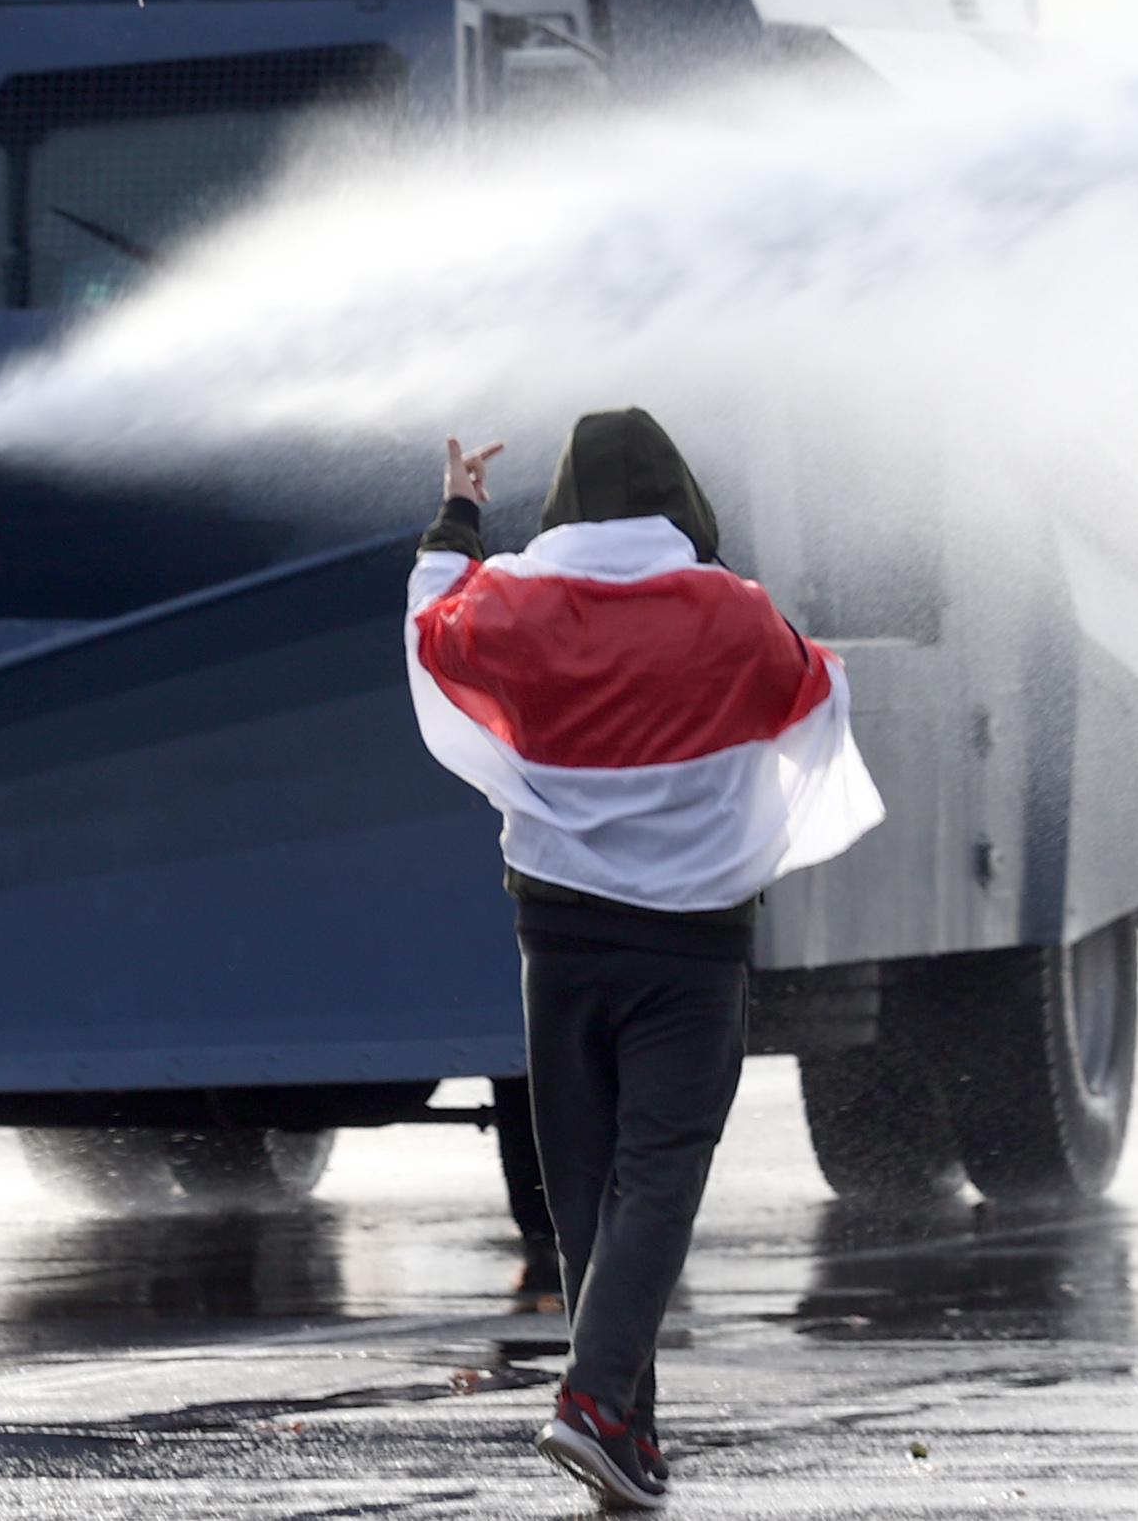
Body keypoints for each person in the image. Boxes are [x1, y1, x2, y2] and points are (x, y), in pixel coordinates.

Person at [405, 409, 882, 1511]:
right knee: (658, 1177)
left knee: (586, 1195)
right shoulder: (732, 613)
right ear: (681, 499)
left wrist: (459, 511)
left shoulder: (514, 600)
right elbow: (816, 694)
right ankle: (593, 1406)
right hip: (691, 953)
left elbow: (430, 620)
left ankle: (628, 1432)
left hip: (557, 945)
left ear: (566, 497)